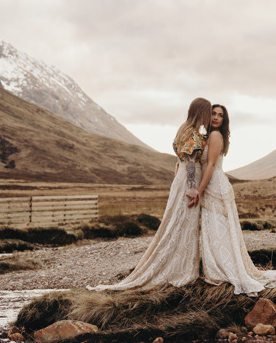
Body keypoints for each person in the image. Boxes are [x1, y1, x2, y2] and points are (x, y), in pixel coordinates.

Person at [88, 97, 212, 291]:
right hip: (189, 179)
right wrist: (191, 186)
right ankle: (180, 270)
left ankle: (180, 266)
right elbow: (189, 160)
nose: (210, 117)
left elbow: (180, 158)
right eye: (208, 112)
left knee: (178, 221)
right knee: (184, 222)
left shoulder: (183, 129)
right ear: (201, 112)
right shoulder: (193, 133)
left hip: (180, 178)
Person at [194, 104, 276, 295]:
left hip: (215, 186)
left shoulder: (215, 136)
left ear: (224, 120)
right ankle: (221, 268)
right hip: (213, 185)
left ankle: (224, 271)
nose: (216, 117)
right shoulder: (208, 136)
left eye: (220, 115)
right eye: (213, 113)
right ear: (207, 115)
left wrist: (199, 191)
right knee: (216, 230)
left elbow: (210, 164)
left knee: (218, 230)